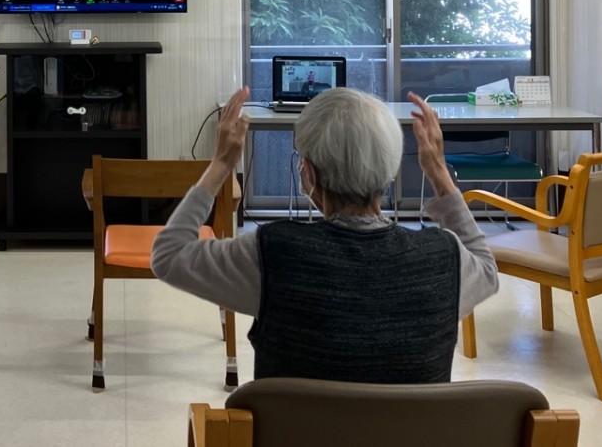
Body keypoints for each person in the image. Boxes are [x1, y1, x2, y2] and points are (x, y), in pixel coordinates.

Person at [152, 87, 498, 385]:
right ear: (391, 170)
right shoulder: (444, 259)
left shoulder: (273, 253)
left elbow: (169, 256)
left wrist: (220, 166)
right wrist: (438, 172)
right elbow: (487, 269)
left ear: (309, 175)